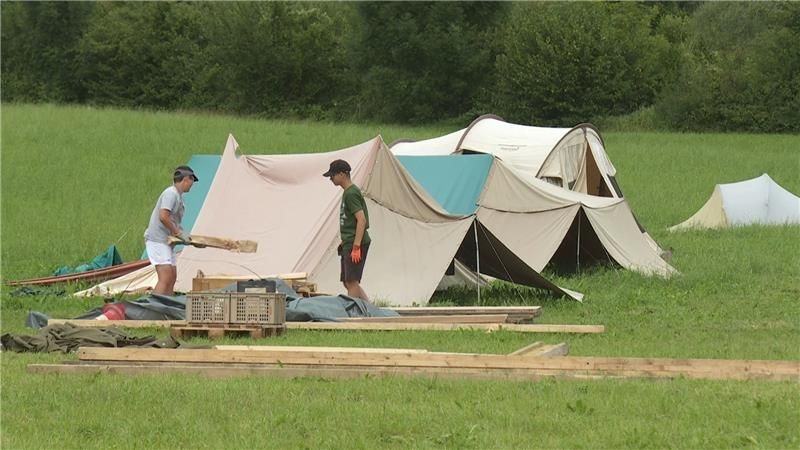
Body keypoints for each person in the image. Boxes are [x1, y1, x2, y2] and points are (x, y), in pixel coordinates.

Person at [144, 165, 198, 295]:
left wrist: (183, 234)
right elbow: (163, 216)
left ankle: (166, 307)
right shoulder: (171, 194)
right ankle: (154, 309)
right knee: (166, 277)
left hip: (166, 242)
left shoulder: (177, 196)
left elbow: (172, 220)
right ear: (185, 179)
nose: (192, 185)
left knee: (172, 276)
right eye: (191, 181)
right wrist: (178, 232)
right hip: (157, 240)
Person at [324, 159, 371, 301]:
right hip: (349, 242)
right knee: (347, 281)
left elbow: (361, 220)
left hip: (356, 244)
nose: (331, 179)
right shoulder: (347, 193)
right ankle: (369, 308)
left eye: (333, 175)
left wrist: (356, 247)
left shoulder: (351, 193)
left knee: (352, 282)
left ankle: (353, 314)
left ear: (343, 174)